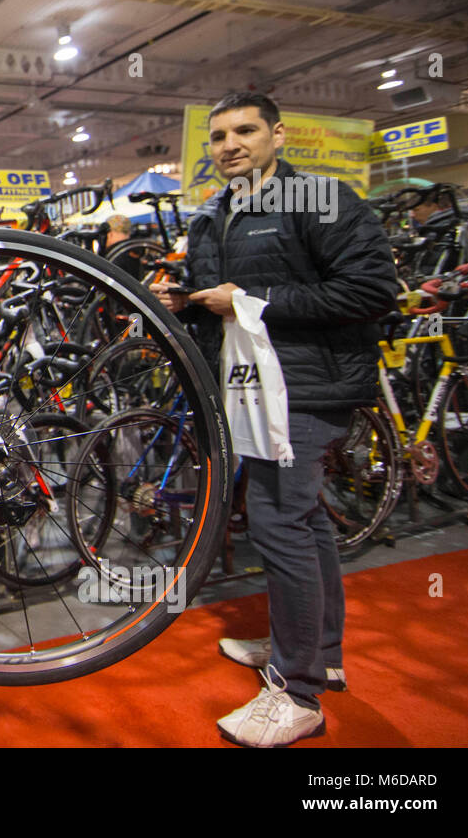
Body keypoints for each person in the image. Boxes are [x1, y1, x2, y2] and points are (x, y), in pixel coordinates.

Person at [151, 91, 398, 748]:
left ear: (277, 133)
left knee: (279, 518)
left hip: (306, 391)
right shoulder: (216, 213)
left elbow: (373, 290)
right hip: (250, 392)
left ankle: (298, 692)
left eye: (245, 130)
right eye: (219, 134)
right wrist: (183, 300)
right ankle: (320, 649)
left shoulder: (322, 198)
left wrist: (254, 300)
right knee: (305, 517)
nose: (230, 143)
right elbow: (223, 302)